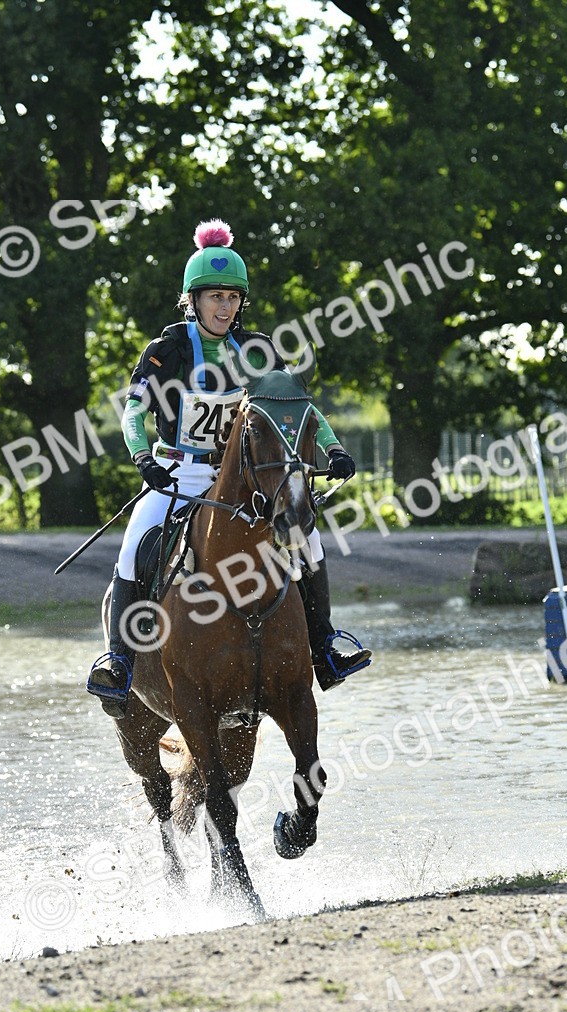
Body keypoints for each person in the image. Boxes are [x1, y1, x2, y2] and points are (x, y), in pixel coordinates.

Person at [87, 218, 372, 716]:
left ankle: (325, 646)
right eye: (214, 296)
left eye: (232, 297)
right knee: (134, 550)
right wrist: (141, 457)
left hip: (244, 481)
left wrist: (333, 448)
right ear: (192, 301)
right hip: (176, 474)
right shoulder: (166, 351)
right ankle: (120, 661)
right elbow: (133, 411)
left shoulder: (258, 351)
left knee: (308, 538)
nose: (224, 307)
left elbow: (299, 408)